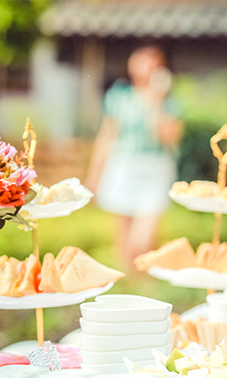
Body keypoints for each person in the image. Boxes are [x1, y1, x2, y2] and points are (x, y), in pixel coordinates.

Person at [85, 45, 183, 270]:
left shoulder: (169, 102)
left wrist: (156, 103)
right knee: (123, 239)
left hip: (154, 168)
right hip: (123, 165)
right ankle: (130, 286)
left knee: (141, 242)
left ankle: (143, 282)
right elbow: (107, 136)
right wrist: (94, 176)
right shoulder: (119, 96)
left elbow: (169, 137)